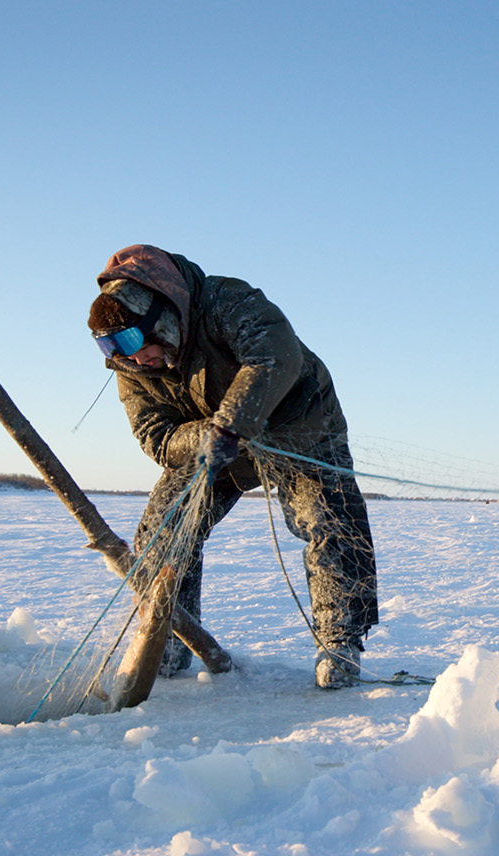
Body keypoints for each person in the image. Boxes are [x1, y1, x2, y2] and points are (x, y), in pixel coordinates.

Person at [87, 245, 378, 687]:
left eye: (130, 341)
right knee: (163, 530)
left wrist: (231, 425)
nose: (130, 357)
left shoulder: (226, 301)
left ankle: (341, 642)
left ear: (160, 315)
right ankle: (167, 641)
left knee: (329, 520)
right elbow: (155, 434)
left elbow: (273, 358)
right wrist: (211, 437)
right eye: (111, 348)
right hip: (214, 445)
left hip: (299, 426)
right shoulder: (131, 365)